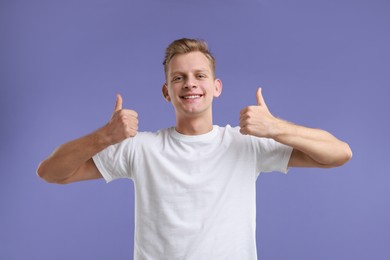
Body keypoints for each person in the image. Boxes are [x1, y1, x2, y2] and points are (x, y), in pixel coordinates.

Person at [37, 38, 352, 259]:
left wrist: (276, 128)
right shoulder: (141, 148)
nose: (190, 83)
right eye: (179, 78)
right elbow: (51, 173)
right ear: (166, 91)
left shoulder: (245, 143)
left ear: (216, 87)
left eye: (200, 76)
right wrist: (104, 136)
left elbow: (339, 154)